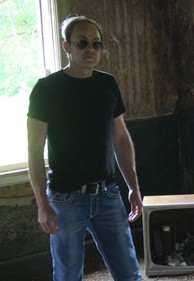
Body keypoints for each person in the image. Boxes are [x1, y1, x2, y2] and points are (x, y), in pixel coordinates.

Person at [27, 15, 143, 281]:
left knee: (129, 272)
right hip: (64, 199)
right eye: (82, 43)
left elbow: (121, 139)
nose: (90, 49)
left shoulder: (107, 83)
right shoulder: (46, 89)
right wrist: (42, 204)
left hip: (107, 194)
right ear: (67, 47)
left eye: (95, 43)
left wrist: (134, 188)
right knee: (68, 275)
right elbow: (34, 151)